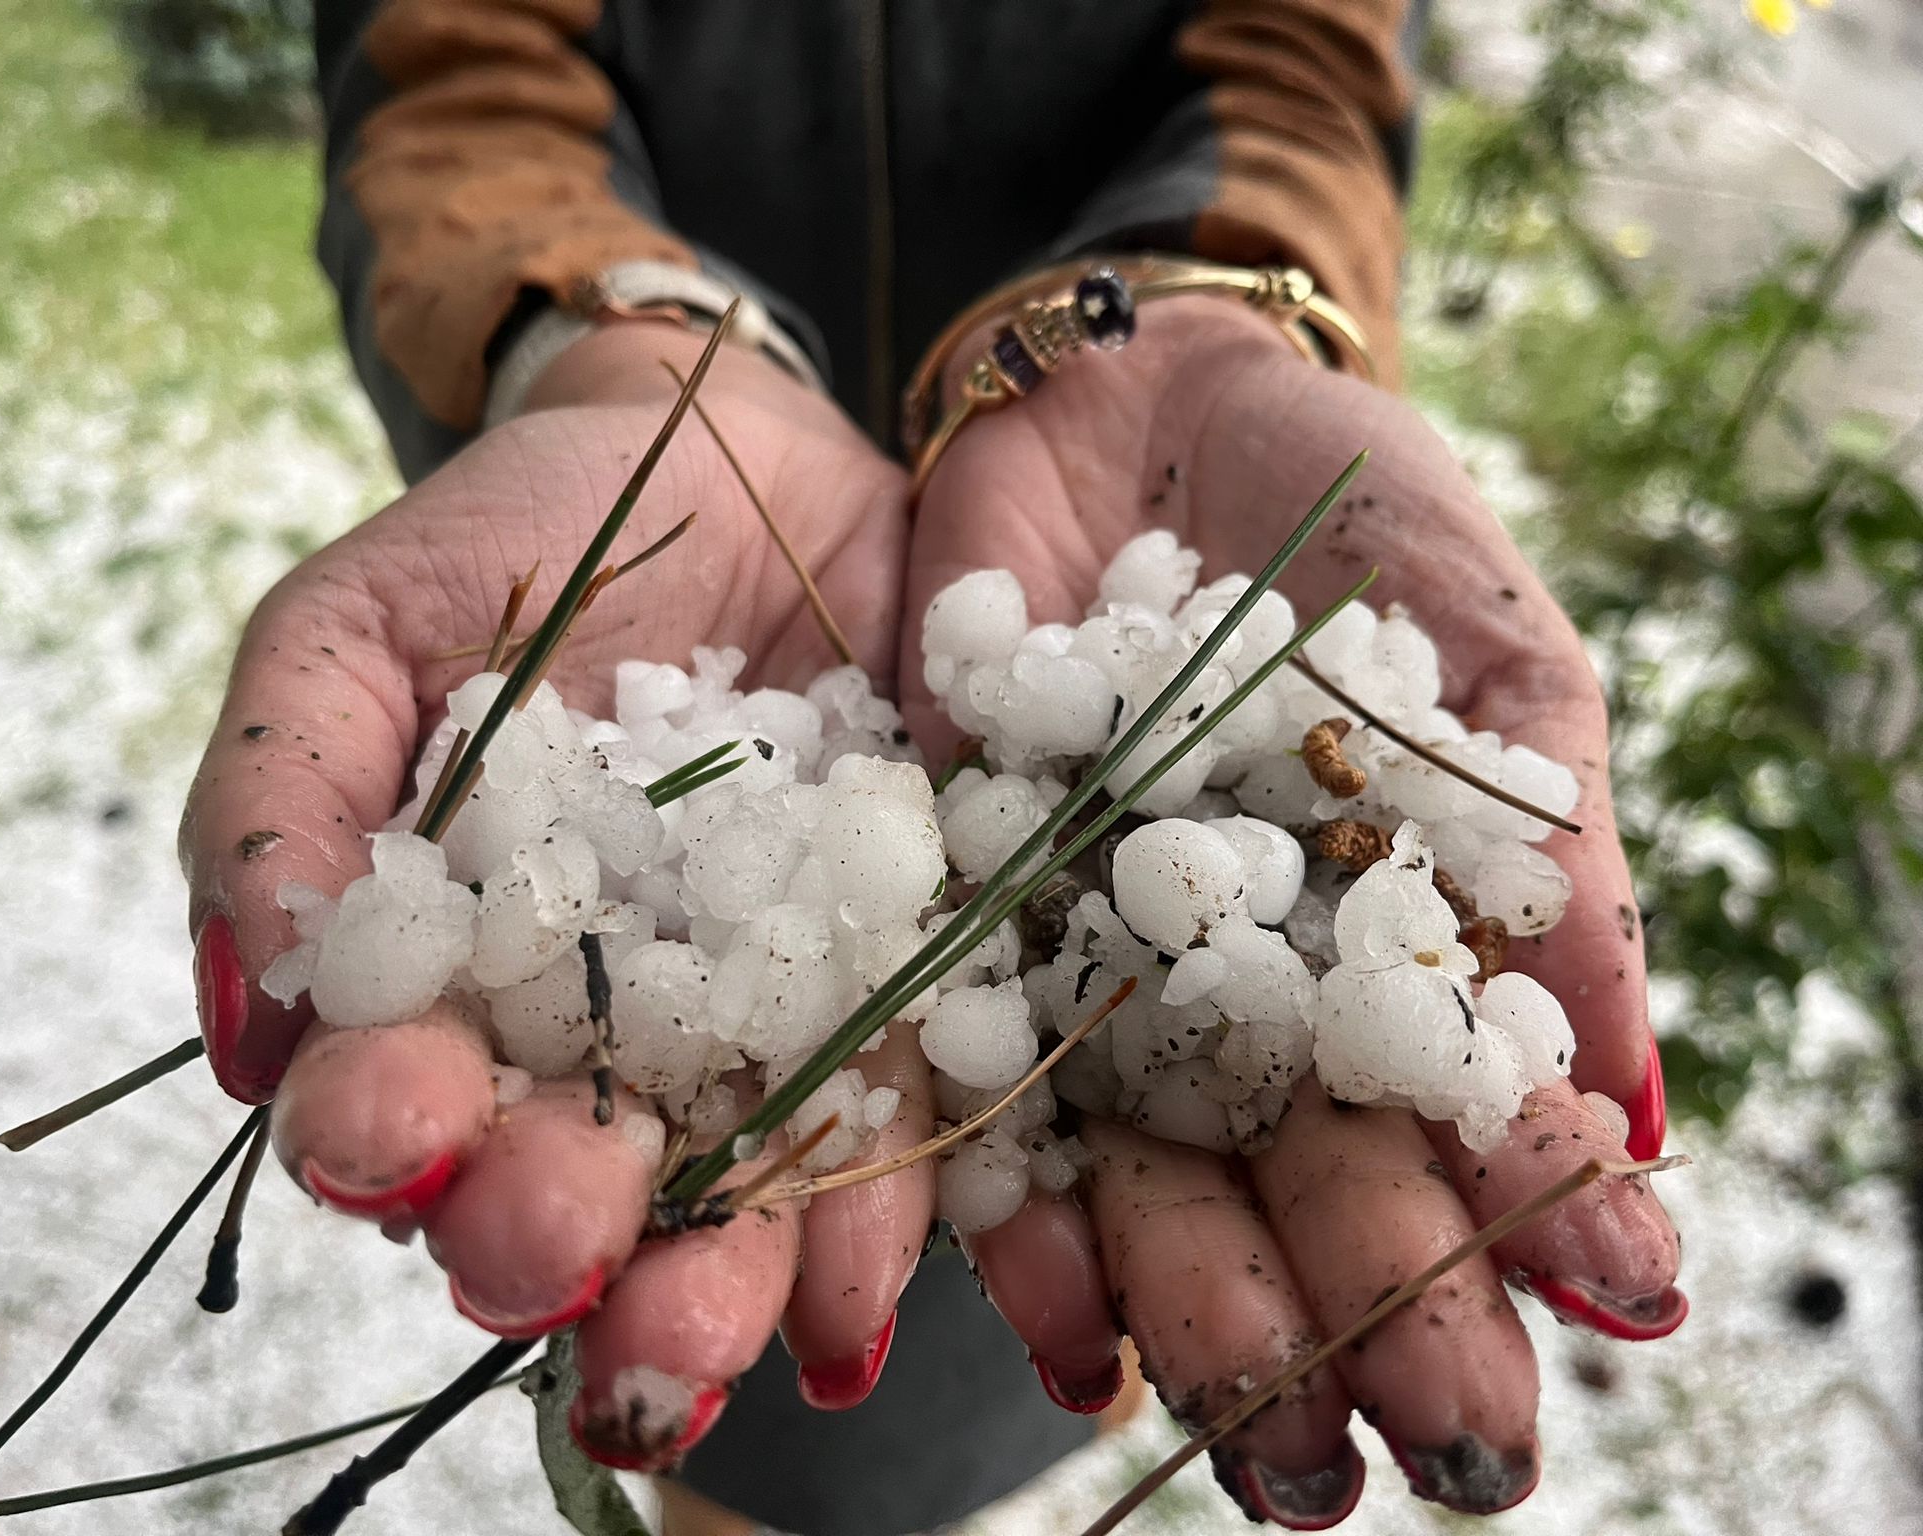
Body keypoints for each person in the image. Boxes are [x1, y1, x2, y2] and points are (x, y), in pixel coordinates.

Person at [179, 3, 1685, 1531]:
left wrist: (1206, 303)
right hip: (731, 660)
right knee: (722, 1347)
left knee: (1065, 1294)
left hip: (1025, 1029)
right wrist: (611, 345)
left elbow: (1307, 60)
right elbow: (455, 70)